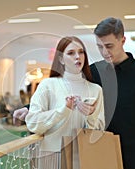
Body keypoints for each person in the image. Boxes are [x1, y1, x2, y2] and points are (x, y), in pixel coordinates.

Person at [14, 17, 135, 169]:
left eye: (109, 46)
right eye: (100, 46)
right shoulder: (94, 72)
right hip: (97, 152)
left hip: (134, 156)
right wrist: (28, 108)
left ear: (123, 40)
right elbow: (65, 90)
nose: (105, 52)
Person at [25, 36, 105, 169]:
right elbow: (33, 123)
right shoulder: (48, 85)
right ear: (61, 59)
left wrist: (90, 115)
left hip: (83, 156)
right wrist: (63, 110)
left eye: (81, 52)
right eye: (71, 53)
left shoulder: (95, 90)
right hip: (51, 156)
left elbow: (98, 131)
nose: (78, 57)